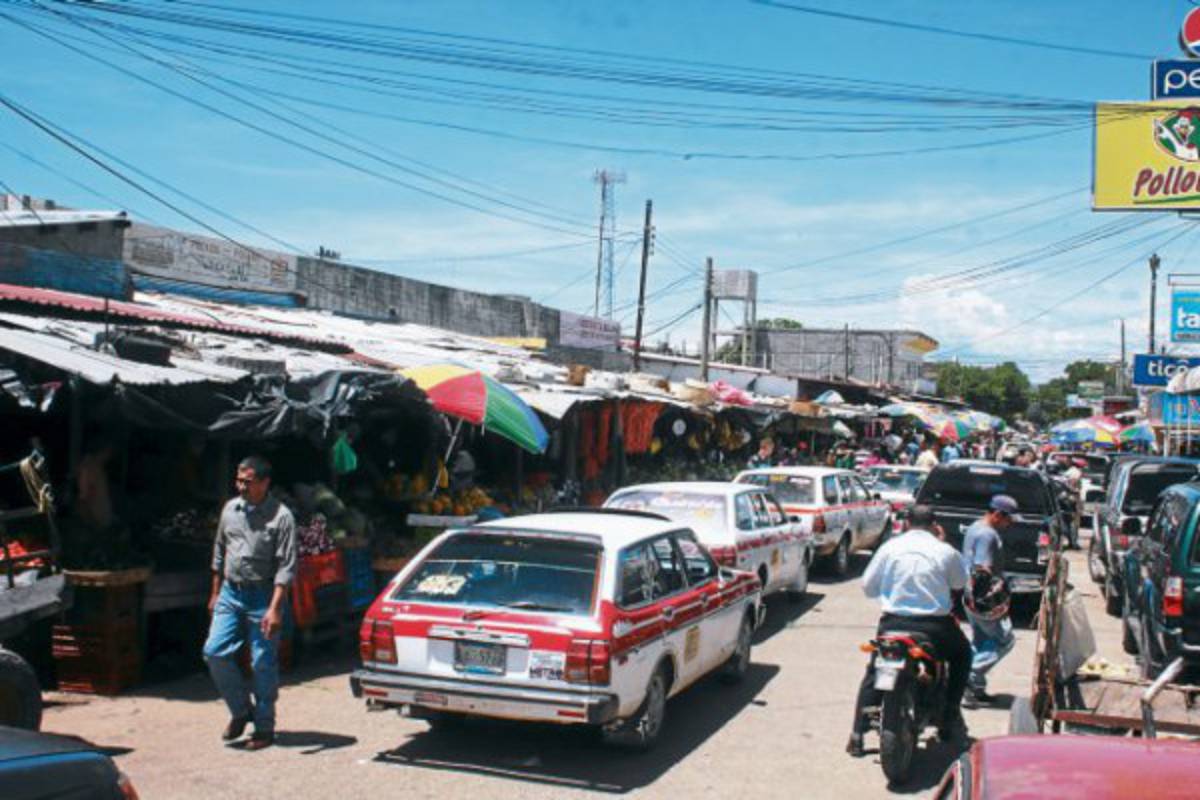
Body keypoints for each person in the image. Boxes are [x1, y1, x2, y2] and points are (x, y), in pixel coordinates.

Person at [847, 504, 972, 757]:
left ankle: (857, 735)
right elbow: (960, 583)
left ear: (906, 523)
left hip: (893, 625)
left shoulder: (890, 547)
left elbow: (868, 587)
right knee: (963, 655)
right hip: (934, 627)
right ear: (934, 525)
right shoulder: (944, 550)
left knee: (874, 671)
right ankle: (949, 712)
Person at [203, 456, 297, 751]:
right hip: (231, 594)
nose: (241, 486)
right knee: (214, 652)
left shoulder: (281, 517)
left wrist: (274, 608)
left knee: (261, 662)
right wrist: (215, 592)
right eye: (238, 480)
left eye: (247, 481)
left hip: (264, 597)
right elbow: (220, 551)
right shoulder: (230, 510)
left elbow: (286, 566)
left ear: (265, 483)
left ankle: (265, 728)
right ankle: (241, 711)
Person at [960, 495, 1017, 708]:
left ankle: (975, 689)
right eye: (1008, 519)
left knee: (982, 641)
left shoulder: (975, 527)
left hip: (970, 594)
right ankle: (969, 677)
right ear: (997, 514)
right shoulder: (987, 535)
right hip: (981, 597)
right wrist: (991, 600)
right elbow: (981, 570)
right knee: (1004, 639)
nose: (1010, 524)